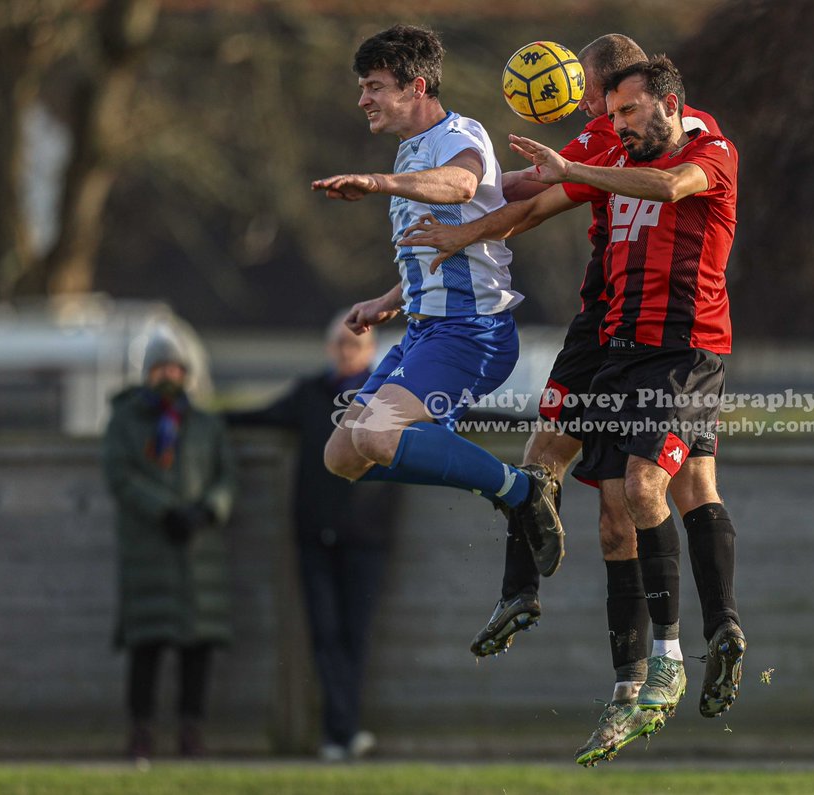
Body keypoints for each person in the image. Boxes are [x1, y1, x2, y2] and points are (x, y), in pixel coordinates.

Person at [400, 55, 745, 765]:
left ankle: (690, 647)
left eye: (623, 111)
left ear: (668, 102)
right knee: (610, 510)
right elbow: (531, 200)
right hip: (613, 344)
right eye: (608, 112)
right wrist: (459, 229)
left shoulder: (709, 149)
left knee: (664, 488)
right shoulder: (612, 153)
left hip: (683, 351)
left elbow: (667, 184)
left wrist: (573, 168)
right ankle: (609, 669)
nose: (612, 124)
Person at [464, 35, 723, 673]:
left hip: (657, 335)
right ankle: (524, 593)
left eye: (601, 99)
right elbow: (529, 193)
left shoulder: (678, 140)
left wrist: (468, 210)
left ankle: (679, 649)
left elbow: (546, 195)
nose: (596, 112)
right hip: (603, 325)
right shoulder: (605, 136)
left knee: (649, 493)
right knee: (559, 463)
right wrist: (453, 196)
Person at [311, 24, 565, 581]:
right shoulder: (412, 152)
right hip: (425, 332)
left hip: (472, 332)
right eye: (362, 87)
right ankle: (478, 471)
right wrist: (389, 299)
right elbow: (439, 244)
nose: (363, 100)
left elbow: (462, 185)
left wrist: (379, 183)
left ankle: (520, 490)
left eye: (375, 86)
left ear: (417, 87)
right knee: (343, 456)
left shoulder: (457, 134)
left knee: (378, 435)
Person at [224, 315, 395, 761]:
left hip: (367, 538)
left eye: (355, 344)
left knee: (355, 637)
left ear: (370, 352)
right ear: (329, 348)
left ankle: (341, 732)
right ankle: (342, 732)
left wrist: (529, 421)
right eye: (340, 343)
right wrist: (199, 416)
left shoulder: (390, 396)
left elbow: (455, 413)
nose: (346, 351)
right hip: (315, 536)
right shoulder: (310, 394)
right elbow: (258, 415)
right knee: (324, 635)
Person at [103, 332, 236, 760]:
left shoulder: (206, 424)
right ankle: (140, 732)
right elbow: (121, 477)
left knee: (197, 649)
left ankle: (191, 731)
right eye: (160, 368)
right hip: (148, 549)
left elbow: (226, 478)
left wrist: (207, 511)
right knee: (146, 645)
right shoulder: (124, 421)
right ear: (147, 373)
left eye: (175, 368)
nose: (168, 376)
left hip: (199, 554)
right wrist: (165, 511)